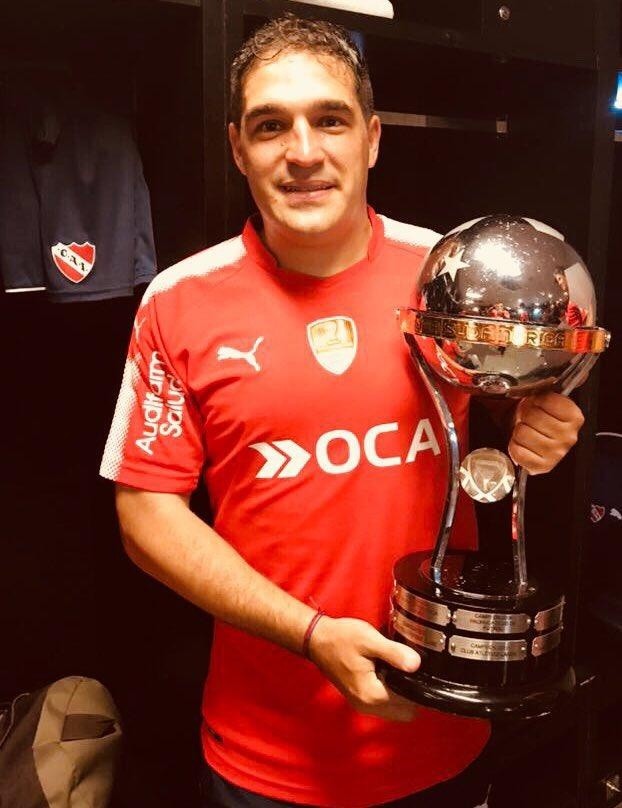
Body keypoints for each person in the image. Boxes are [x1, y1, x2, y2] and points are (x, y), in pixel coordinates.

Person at [100, 14, 585, 808]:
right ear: (237, 148)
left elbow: (511, 406)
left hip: (446, 734)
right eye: (271, 126)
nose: (302, 151)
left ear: (372, 138)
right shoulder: (178, 301)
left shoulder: (452, 277)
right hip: (264, 760)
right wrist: (311, 635)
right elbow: (146, 515)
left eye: (330, 119)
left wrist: (539, 423)